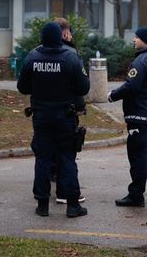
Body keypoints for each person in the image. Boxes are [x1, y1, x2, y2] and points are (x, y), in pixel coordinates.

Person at [17, 22, 90, 218]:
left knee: (43, 158)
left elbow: (22, 87)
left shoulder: (32, 57)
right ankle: (73, 205)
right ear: (60, 37)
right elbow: (83, 88)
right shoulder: (70, 57)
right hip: (65, 116)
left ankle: (42, 204)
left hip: (41, 115)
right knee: (67, 158)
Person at [108, 26, 147, 207]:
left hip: (139, 115)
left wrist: (112, 95)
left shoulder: (142, 61)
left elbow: (131, 86)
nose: (134, 40)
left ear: (145, 39)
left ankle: (136, 195)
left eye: (136, 37)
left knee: (138, 157)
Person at [52, 17, 86, 205]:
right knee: (67, 153)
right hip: (67, 110)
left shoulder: (36, 53)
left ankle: (42, 199)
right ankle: (68, 194)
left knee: (47, 153)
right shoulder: (71, 53)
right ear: (65, 33)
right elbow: (82, 86)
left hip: (43, 112)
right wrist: (80, 107)